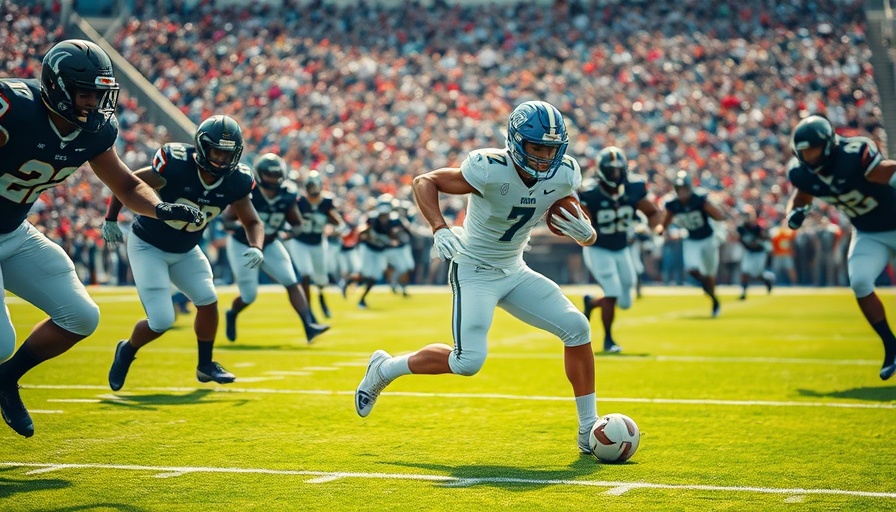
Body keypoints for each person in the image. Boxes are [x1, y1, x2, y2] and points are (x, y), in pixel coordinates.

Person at [354, 100, 601, 454]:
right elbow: (425, 181)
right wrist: (438, 227)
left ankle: (587, 428)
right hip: (475, 269)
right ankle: (385, 368)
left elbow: (570, 208)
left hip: (514, 268)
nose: (545, 157)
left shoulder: (565, 172)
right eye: (536, 147)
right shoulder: (489, 167)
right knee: (467, 362)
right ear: (515, 141)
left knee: (577, 328)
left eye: (551, 149)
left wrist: (587, 233)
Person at [0, 39, 203, 438]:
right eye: (86, 93)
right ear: (57, 88)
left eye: (100, 93)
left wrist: (161, 208)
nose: (95, 103)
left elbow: (127, 185)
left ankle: (6, 380)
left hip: (14, 229)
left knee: (82, 316)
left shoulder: (94, 132)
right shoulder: (14, 109)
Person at [102, 114, 264, 391]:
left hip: (187, 249)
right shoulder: (176, 164)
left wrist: (256, 246)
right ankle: (127, 350)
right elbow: (127, 184)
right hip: (148, 245)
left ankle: (205, 364)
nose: (222, 160)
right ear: (202, 147)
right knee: (162, 320)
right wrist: (111, 218)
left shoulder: (237, 180)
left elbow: (252, 221)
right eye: (217, 152)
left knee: (208, 298)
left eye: (228, 154)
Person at [785, 115, 896, 380]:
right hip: (869, 233)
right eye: (803, 152)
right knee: (859, 281)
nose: (807, 156)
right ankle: (891, 345)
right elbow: (799, 198)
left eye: (812, 150)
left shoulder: (854, 152)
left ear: (827, 145)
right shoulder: (801, 172)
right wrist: (794, 214)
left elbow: (882, 172)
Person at [223, 153, 329, 344]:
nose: (273, 179)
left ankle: (308, 325)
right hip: (243, 245)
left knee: (291, 280)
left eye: (276, 174)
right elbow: (228, 222)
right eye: (269, 174)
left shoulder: (287, 195)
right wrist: (250, 228)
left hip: (270, 244)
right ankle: (232, 313)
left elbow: (297, 224)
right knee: (249, 295)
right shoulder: (250, 192)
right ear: (260, 174)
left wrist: (287, 233)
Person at [579, 146, 661, 353]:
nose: (615, 174)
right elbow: (582, 222)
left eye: (618, 170)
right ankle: (608, 340)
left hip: (622, 247)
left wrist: (651, 228)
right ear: (602, 171)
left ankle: (591, 303)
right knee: (613, 291)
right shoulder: (591, 193)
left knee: (624, 301)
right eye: (611, 170)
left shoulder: (634, 188)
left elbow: (652, 212)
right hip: (598, 248)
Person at [656, 170, 726, 317]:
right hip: (691, 239)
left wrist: (711, 208)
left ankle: (713, 298)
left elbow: (719, 216)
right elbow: (666, 221)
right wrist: (661, 228)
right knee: (692, 269)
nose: (682, 192)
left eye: (684, 189)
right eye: (679, 189)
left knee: (710, 274)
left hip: (708, 238)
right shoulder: (672, 203)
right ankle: (707, 288)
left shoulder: (700, 199)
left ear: (690, 188)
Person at [285, 170, 345, 320]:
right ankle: (309, 310)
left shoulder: (326, 202)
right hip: (300, 242)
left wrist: (335, 229)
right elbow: (289, 219)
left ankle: (321, 296)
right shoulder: (300, 202)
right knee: (305, 273)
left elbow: (338, 223)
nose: (313, 190)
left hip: (318, 243)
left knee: (321, 279)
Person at [355, 196, 404, 309]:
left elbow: (394, 236)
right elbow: (362, 231)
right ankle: (349, 282)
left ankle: (362, 299)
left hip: (380, 251)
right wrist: (363, 236)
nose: (384, 217)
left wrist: (393, 240)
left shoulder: (393, 221)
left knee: (375, 276)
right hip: (368, 249)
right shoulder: (372, 219)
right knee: (365, 273)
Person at [736, 205, 774, 300]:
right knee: (745, 272)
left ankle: (767, 280)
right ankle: (744, 293)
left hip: (759, 252)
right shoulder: (741, 228)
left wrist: (759, 239)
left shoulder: (757, 227)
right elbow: (739, 239)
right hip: (749, 252)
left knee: (757, 274)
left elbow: (766, 238)